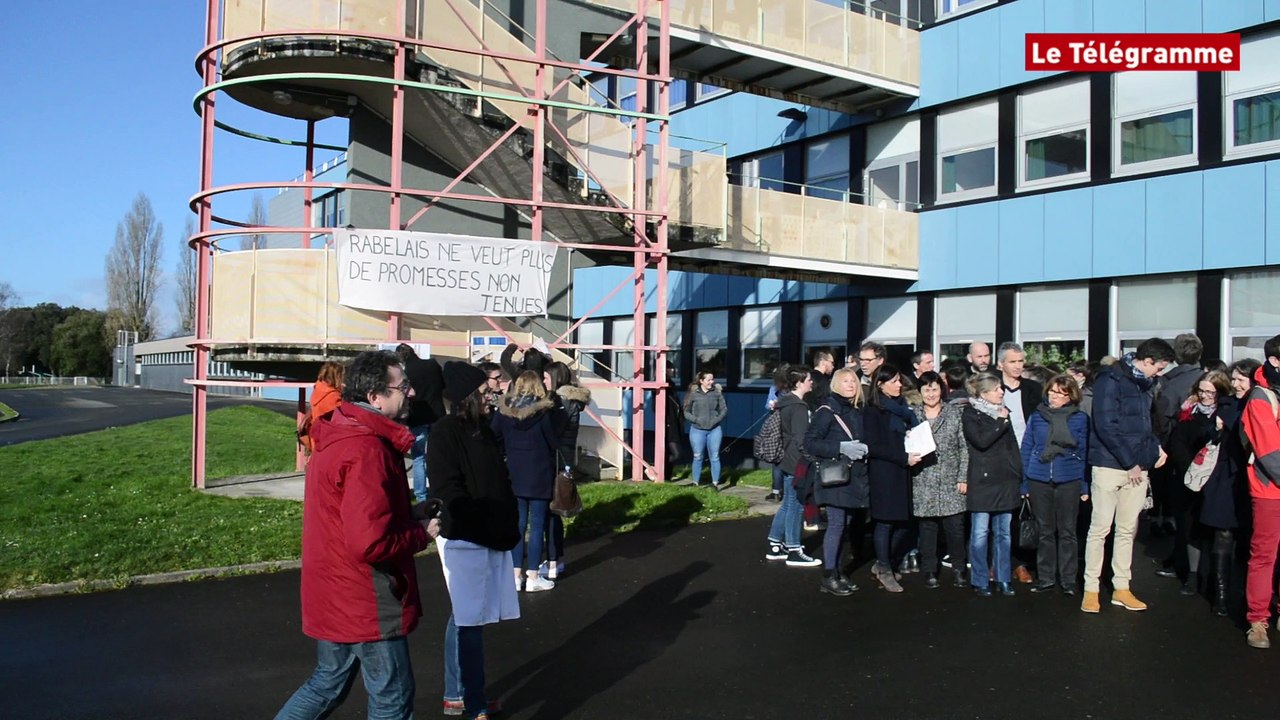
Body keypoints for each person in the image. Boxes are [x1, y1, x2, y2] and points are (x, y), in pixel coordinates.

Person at [274, 351, 437, 720]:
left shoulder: (341, 432)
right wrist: (419, 534)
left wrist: (406, 514)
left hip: (334, 589)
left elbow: (352, 515)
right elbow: (370, 543)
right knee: (392, 699)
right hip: (365, 598)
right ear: (375, 398)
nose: (410, 394)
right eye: (403, 387)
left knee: (327, 683)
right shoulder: (366, 449)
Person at [429, 360, 521, 719]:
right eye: (484, 392)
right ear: (466, 396)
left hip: (490, 534)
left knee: (470, 617)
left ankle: (463, 693)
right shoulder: (444, 432)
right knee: (468, 620)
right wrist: (477, 520)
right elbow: (448, 489)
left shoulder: (484, 429)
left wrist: (506, 519)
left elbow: (498, 479)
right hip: (466, 537)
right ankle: (473, 704)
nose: (491, 396)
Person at [1080, 338, 1174, 614]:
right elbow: (1105, 425)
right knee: (1099, 530)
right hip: (1110, 466)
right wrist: (1130, 462)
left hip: (1137, 465)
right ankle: (1091, 588)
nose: (1159, 374)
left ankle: (1122, 587)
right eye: (1158, 368)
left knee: (1126, 530)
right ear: (1146, 361)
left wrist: (1155, 447)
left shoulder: (1145, 384)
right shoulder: (1110, 380)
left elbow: (1145, 423)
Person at [1164, 370, 1235, 596]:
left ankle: (1215, 578)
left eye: (1210, 392)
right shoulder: (1187, 413)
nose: (1204, 396)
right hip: (1189, 479)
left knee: (1216, 532)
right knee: (1189, 528)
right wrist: (1192, 472)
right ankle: (1193, 577)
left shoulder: (1226, 415)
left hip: (1217, 480)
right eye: (1201, 391)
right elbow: (1177, 444)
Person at [1199, 359, 1261, 617]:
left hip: (1253, 478)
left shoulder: (1261, 403)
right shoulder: (1226, 405)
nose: (1234, 384)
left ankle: (1249, 593)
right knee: (1223, 535)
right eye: (1233, 378)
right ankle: (1221, 594)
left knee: (1251, 539)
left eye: (1240, 379)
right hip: (1226, 477)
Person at [1021, 375, 1090, 596]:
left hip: (1069, 478)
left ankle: (1068, 579)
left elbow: (1084, 452)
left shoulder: (1080, 418)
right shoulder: (1037, 416)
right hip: (1039, 477)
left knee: (1068, 531)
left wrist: (1084, 485)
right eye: (1051, 391)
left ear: (1070, 395)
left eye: (1060, 392)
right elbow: (1027, 448)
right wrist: (1024, 484)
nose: (1054, 396)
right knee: (1045, 531)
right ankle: (1046, 578)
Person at [491, 370, 559, 593]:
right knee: (537, 526)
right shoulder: (544, 413)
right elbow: (553, 443)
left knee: (517, 524)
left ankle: (515, 574)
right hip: (539, 473)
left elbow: (495, 438)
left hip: (514, 473)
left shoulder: (504, 413)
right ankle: (533, 576)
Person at [804, 367, 870, 595]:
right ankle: (829, 575)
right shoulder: (827, 410)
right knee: (836, 525)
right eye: (845, 381)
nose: (851, 385)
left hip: (853, 477)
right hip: (836, 477)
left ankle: (837, 571)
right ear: (836, 385)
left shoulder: (856, 410)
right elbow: (809, 443)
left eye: (853, 381)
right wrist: (840, 448)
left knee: (845, 525)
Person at [962, 372, 1023, 597]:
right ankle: (980, 579)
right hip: (982, 480)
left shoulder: (1003, 413)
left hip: (1006, 479)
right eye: (997, 389)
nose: (1002, 392)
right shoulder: (971, 414)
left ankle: (1003, 577)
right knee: (980, 533)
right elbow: (981, 441)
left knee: (1004, 533)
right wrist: (1000, 421)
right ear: (983, 393)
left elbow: (1013, 448)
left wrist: (1019, 473)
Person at [863, 364, 922, 592]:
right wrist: (902, 456)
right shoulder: (873, 410)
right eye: (894, 381)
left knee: (904, 521)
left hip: (903, 469)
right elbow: (873, 445)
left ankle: (883, 562)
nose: (900, 385)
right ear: (880, 384)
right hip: (885, 471)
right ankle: (884, 568)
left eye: (900, 381)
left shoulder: (901, 407)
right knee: (886, 521)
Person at [912, 371, 969, 589]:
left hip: (950, 478)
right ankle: (929, 570)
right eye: (926, 389)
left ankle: (958, 569)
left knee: (955, 527)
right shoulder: (913, 415)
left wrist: (963, 477)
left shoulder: (954, 413)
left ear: (941, 390)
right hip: (923, 478)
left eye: (935, 389)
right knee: (927, 529)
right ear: (920, 391)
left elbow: (964, 448)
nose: (931, 393)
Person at [1242, 335, 1280, 649]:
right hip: (1270, 489)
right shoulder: (1260, 397)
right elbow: (1269, 452)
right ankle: (1258, 619)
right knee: (1264, 556)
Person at [1152, 334, 1205, 549]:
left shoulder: (1168, 384)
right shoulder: (1207, 379)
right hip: (1204, 450)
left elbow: (1161, 420)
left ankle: (1164, 524)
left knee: (1175, 497)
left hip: (1175, 449)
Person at [765, 365, 821, 567]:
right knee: (796, 505)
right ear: (799, 383)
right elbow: (800, 438)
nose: (811, 381)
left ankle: (774, 543)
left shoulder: (784, 403)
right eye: (808, 379)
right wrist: (812, 458)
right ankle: (794, 548)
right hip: (797, 460)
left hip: (786, 458)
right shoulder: (798, 406)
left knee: (788, 503)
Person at [996, 341, 1042, 584]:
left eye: (1020, 361)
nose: (1017, 366)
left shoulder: (1033, 389)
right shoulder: (992, 389)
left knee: (1027, 513)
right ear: (1000, 364)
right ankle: (1001, 561)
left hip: (1029, 456)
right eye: (1012, 361)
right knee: (1003, 512)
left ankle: (1022, 562)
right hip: (1000, 458)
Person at [542, 361, 590, 580]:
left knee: (552, 511)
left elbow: (553, 431)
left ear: (555, 378)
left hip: (558, 458)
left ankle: (554, 559)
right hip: (565, 457)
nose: (543, 381)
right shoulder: (572, 400)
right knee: (555, 511)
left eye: (545, 377)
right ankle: (556, 558)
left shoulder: (562, 401)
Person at [396, 344, 446, 503]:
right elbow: (442, 386)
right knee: (439, 456)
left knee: (418, 459)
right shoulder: (432, 364)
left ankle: (421, 496)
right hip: (437, 414)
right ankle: (440, 490)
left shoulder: (406, 374)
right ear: (414, 352)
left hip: (417, 417)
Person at [683, 370, 728, 488]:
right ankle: (695, 482)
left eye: (712, 379)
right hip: (697, 430)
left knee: (715, 456)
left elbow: (724, 410)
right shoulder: (693, 394)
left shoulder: (717, 393)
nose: (711, 382)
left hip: (715, 429)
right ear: (701, 381)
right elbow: (686, 412)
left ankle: (715, 484)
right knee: (697, 456)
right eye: (708, 380)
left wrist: (716, 420)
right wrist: (697, 420)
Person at [298, 361, 345, 455]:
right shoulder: (333, 397)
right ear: (337, 376)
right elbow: (342, 422)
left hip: (316, 441)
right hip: (329, 445)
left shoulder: (318, 391)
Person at [764, 363, 792, 502]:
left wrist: (773, 405)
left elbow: (768, 405)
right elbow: (768, 404)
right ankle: (782, 491)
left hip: (779, 427)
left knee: (778, 459)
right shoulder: (792, 389)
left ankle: (777, 491)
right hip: (788, 426)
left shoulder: (777, 389)